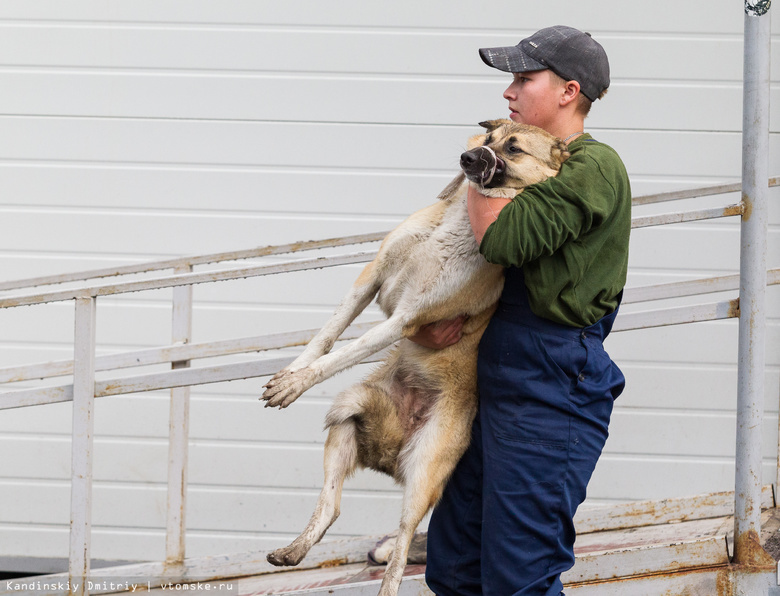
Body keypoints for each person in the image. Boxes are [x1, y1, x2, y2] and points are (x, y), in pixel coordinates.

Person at [415, 26, 632, 595]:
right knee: (456, 565)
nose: (508, 93)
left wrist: (479, 164)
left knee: (520, 576)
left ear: (569, 91)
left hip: (554, 380)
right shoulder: (528, 165)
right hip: (496, 369)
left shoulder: (592, 164)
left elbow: (505, 241)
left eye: (523, 78)